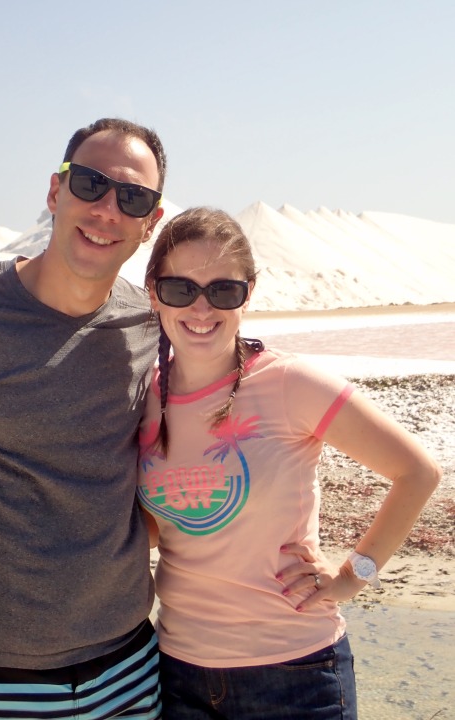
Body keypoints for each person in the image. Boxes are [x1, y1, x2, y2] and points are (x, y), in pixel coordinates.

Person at [136, 206, 441, 719]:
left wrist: (354, 574)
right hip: (178, 672)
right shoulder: (145, 396)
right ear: (153, 292)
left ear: (248, 293)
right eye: (180, 289)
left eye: (223, 290)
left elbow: (418, 472)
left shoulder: (290, 383)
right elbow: (156, 528)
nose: (201, 307)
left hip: (295, 674)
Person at [0, 118, 167, 720]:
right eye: (91, 183)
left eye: (132, 198)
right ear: (56, 191)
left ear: (150, 223)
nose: (107, 209)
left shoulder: (149, 323)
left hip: (129, 665)